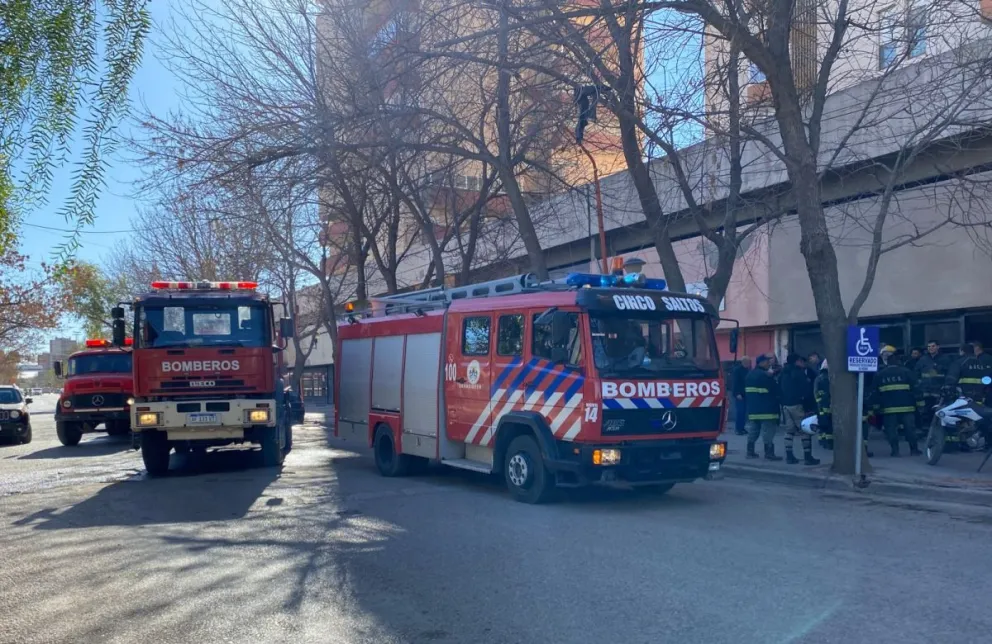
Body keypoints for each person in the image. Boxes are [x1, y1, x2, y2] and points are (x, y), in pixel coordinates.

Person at [871, 353, 922, 457]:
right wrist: (920, 405)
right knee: (910, 430)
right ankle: (914, 450)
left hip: (888, 409)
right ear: (899, 362)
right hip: (907, 408)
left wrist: (875, 408)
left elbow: (875, 393)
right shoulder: (907, 372)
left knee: (891, 431)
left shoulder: (880, 375)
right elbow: (916, 389)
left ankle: (895, 451)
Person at [780, 353, 818, 465]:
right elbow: (806, 391)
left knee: (789, 430)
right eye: (801, 361)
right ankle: (807, 457)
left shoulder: (783, 373)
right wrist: (810, 406)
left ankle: (789, 456)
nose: (803, 363)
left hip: (786, 405)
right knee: (805, 430)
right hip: (798, 405)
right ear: (796, 361)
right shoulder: (798, 373)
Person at [745, 353, 783, 461]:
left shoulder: (750, 375)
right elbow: (775, 390)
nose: (769, 363)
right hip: (767, 409)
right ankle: (769, 453)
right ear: (761, 362)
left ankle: (750, 451)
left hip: (753, 410)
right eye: (767, 361)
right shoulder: (765, 376)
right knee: (768, 432)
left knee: (753, 430)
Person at [731, 356, 751, 436]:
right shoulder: (737, 370)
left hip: (745, 393)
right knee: (740, 411)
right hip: (739, 394)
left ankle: (742, 428)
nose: (749, 364)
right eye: (748, 362)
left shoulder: (747, 370)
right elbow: (735, 383)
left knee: (744, 412)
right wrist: (737, 393)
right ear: (744, 362)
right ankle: (738, 429)